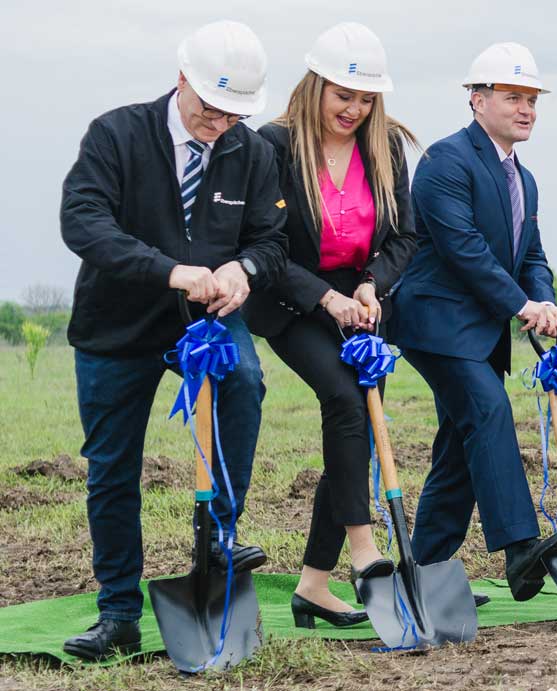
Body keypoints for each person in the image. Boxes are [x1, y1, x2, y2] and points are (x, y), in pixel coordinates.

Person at [59, 20, 287, 660]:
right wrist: (168, 270)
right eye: (210, 108)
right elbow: (82, 220)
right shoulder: (116, 134)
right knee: (112, 467)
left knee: (246, 381)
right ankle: (117, 613)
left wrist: (244, 271)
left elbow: (272, 241)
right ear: (181, 78)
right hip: (118, 323)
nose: (218, 124)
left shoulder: (253, 151)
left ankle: (220, 536)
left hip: (209, 322)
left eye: (233, 113)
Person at [389, 42, 557, 602]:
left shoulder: (527, 178)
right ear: (477, 99)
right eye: (513, 96)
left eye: (532, 99)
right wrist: (522, 306)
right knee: (489, 412)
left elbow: (532, 256)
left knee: (460, 444)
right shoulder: (446, 161)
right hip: (436, 324)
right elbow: (464, 250)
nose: (527, 109)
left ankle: (424, 572)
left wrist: (544, 302)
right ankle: (520, 550)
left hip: (482, 333)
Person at [243, 22, 418, 628]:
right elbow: (263, 243)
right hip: (293, 302)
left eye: (366, 99)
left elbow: (405, 236)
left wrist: (373, 283)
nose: (355, 109)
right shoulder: (271, 146)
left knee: (356, 432)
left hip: (364, 306)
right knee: (346, 404)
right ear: (315, 86)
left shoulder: (386, 147)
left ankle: (313, 584)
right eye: (344, 95)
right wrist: (324, 298)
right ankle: (365, 550)